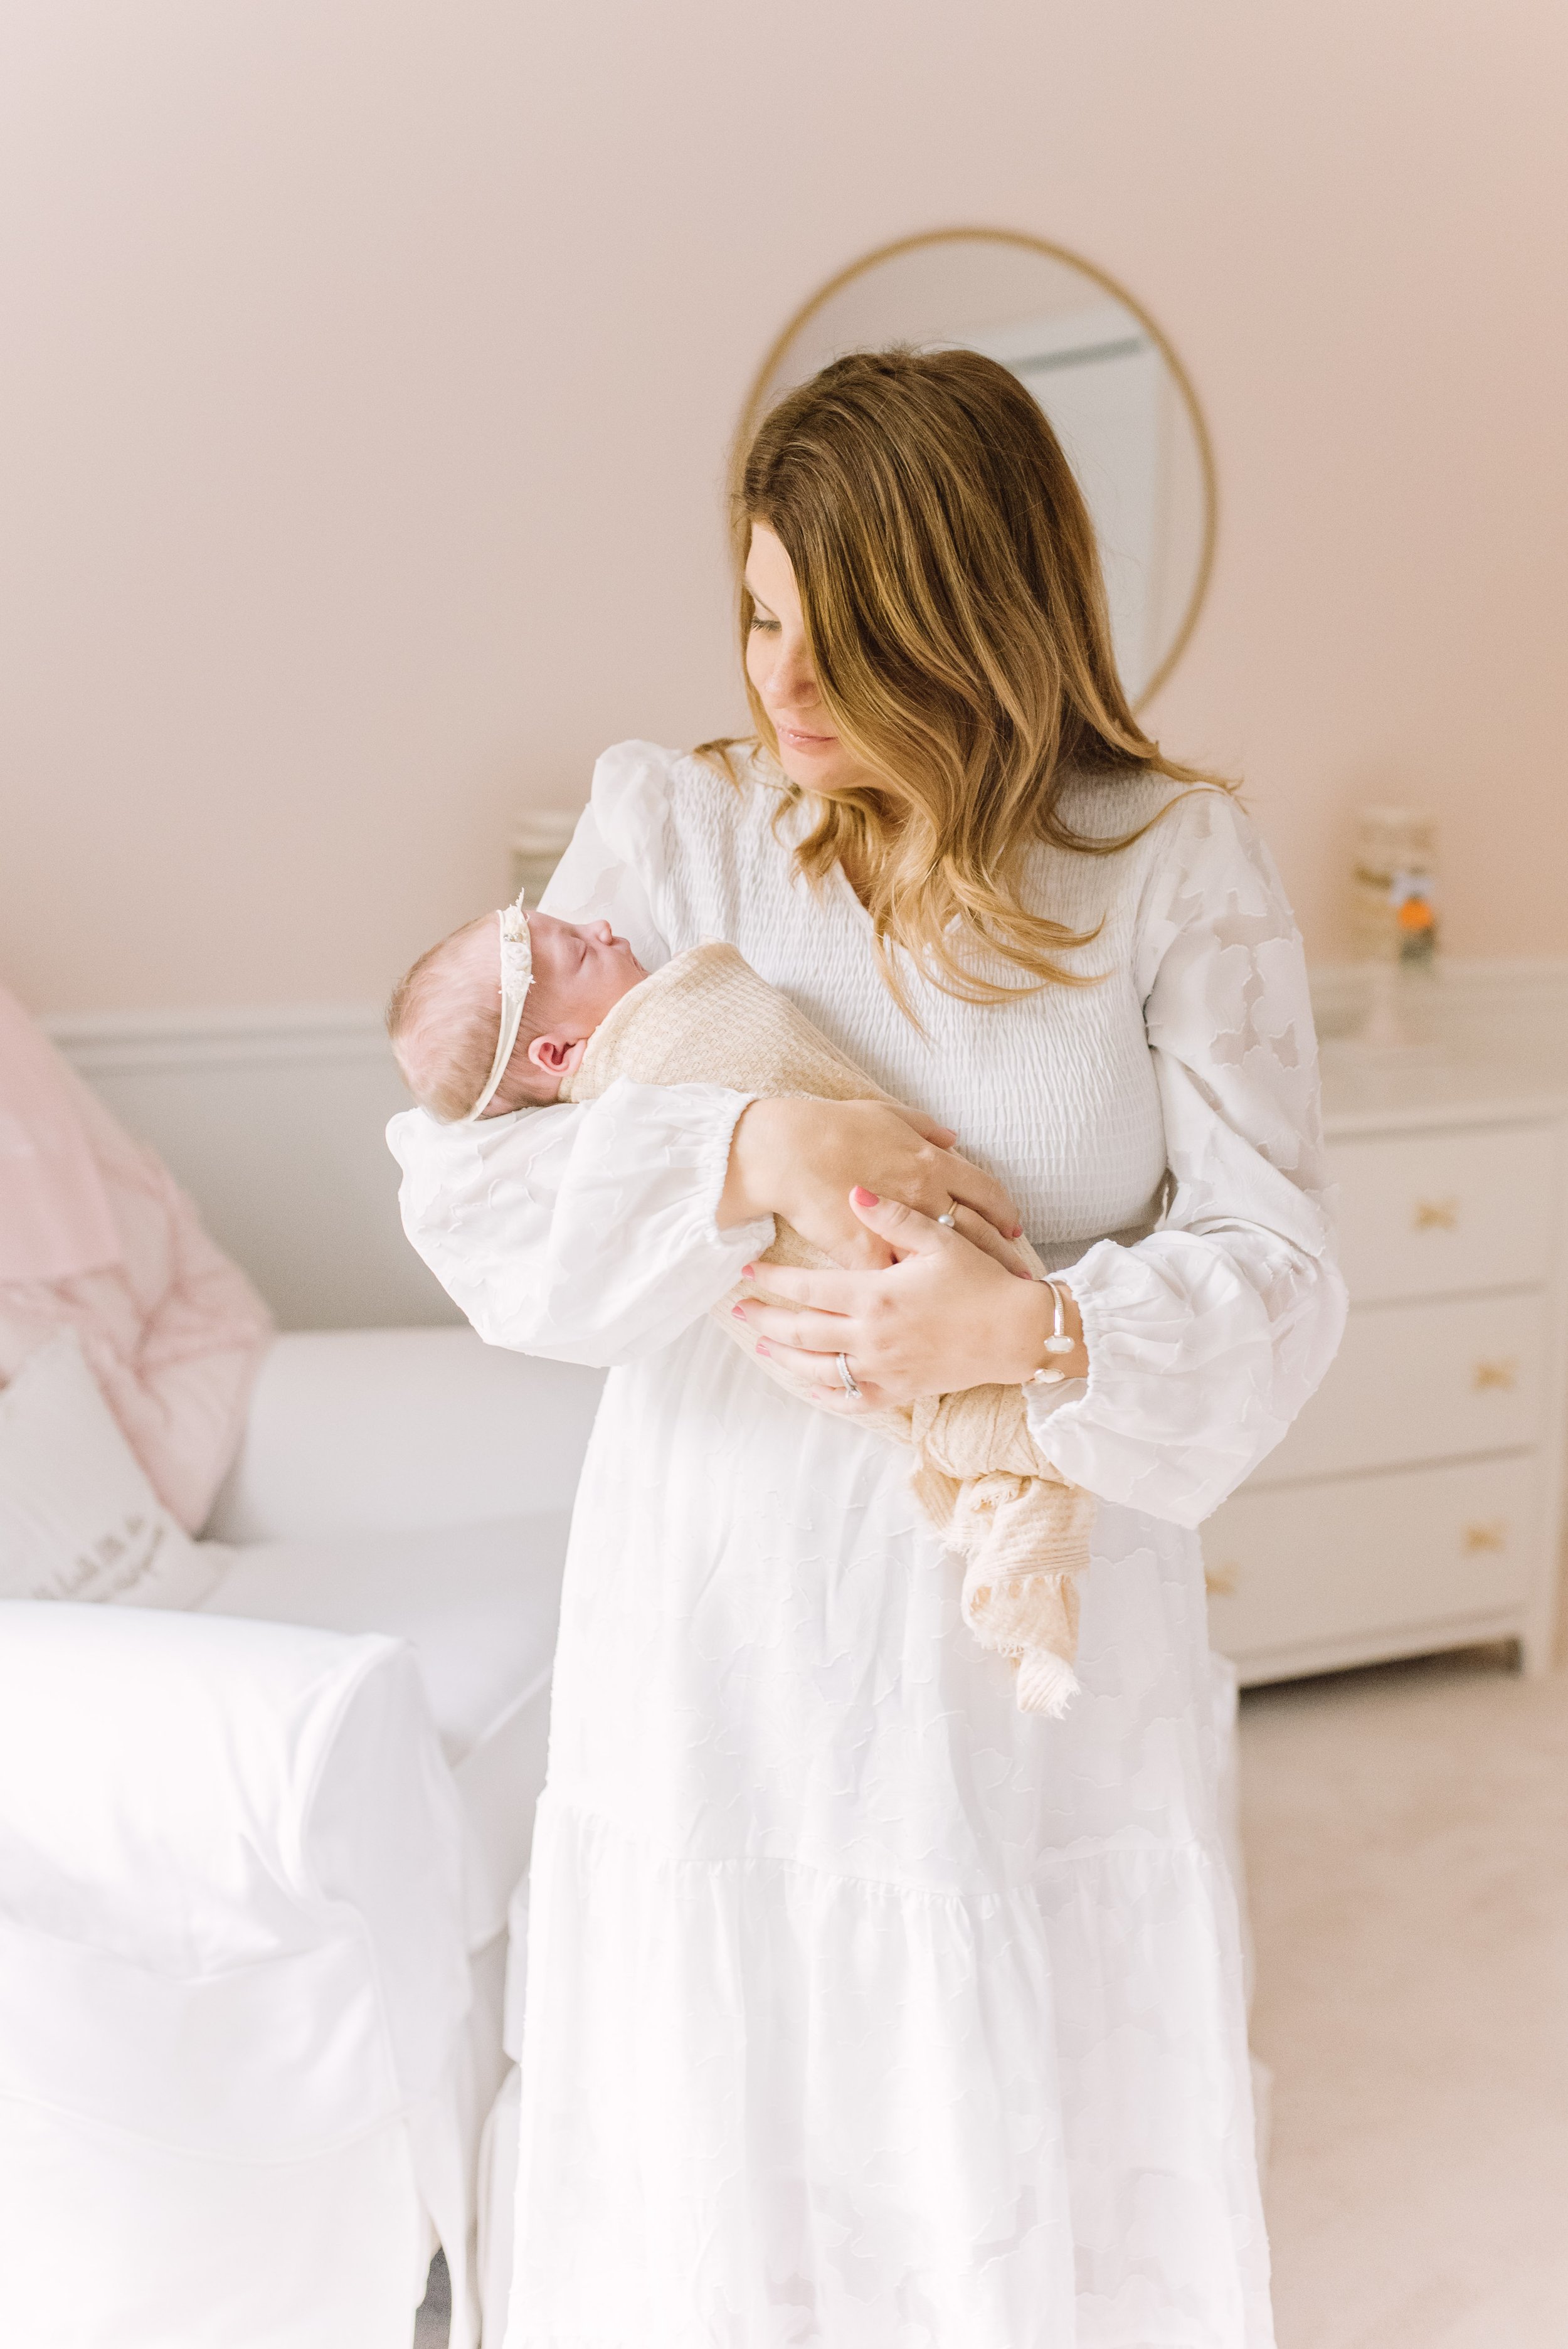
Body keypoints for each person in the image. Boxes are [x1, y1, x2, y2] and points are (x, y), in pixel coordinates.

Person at [388, 346, 1347, 2346]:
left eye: (851, 641)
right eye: (758, 619)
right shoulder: (675, 832)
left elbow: (1274, 1263)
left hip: (1025, 1663)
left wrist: (1033, 1321)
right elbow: (476, 1200)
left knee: (1008, 2153)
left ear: (985, 625)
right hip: (732, 1641)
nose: (784, 686)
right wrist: (756, 1145)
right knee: (735, 2161)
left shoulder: (1166, 865)